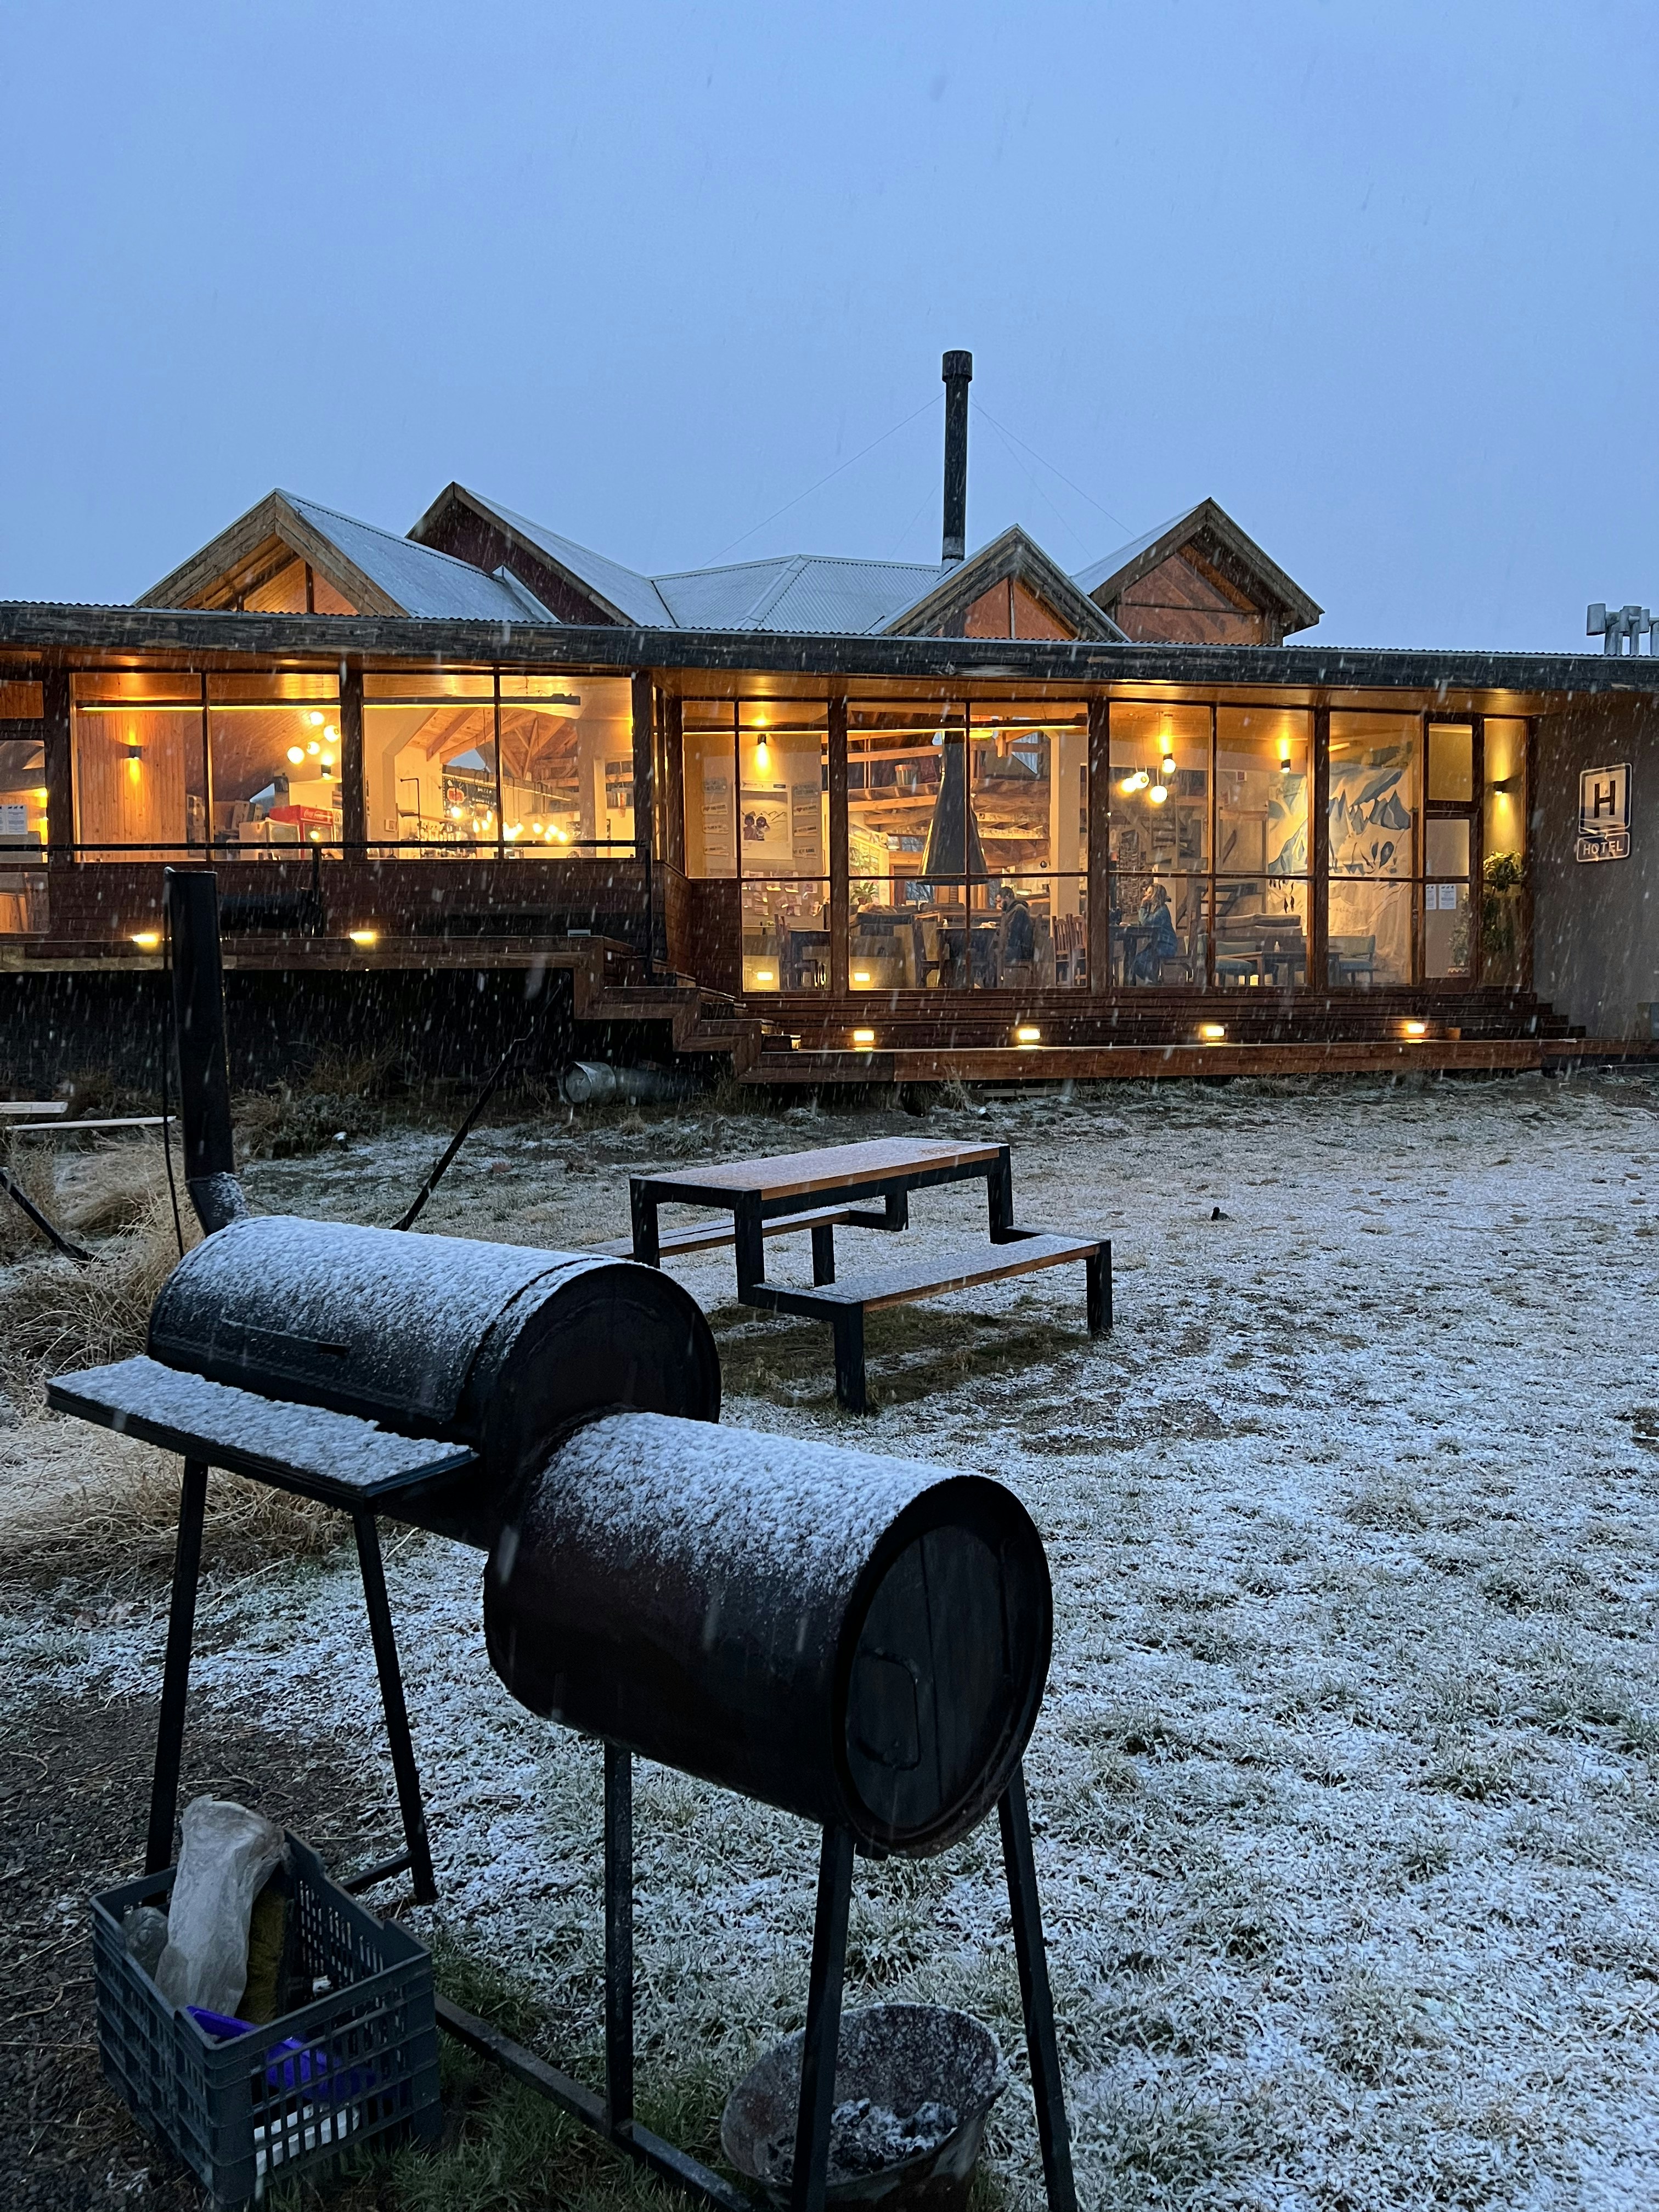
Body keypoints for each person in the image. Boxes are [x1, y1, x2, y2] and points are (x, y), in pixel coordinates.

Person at [1131, 882, 1178, 983]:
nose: (1146, 896)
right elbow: (1145, 922)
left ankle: (1152, 982)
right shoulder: (1157, 910)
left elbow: (1146, 922)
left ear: (1155, 895)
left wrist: (1143, 905)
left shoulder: (1162, 911)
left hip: (1166, 946)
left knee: (1139, 961)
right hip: (1158, 944)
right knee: (1137, 961)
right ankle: (1152, 982)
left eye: (1149, 893)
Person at [997, 885, 1036, 974]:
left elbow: (1013, 936)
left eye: (1000, 901)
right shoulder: (1012, 911)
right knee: (994, 954)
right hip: (1016, 948)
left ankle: (997, 985)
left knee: (993, 956)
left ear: (1007, 898)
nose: (999, 905)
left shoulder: (1018, 911)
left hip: (1020, 950)